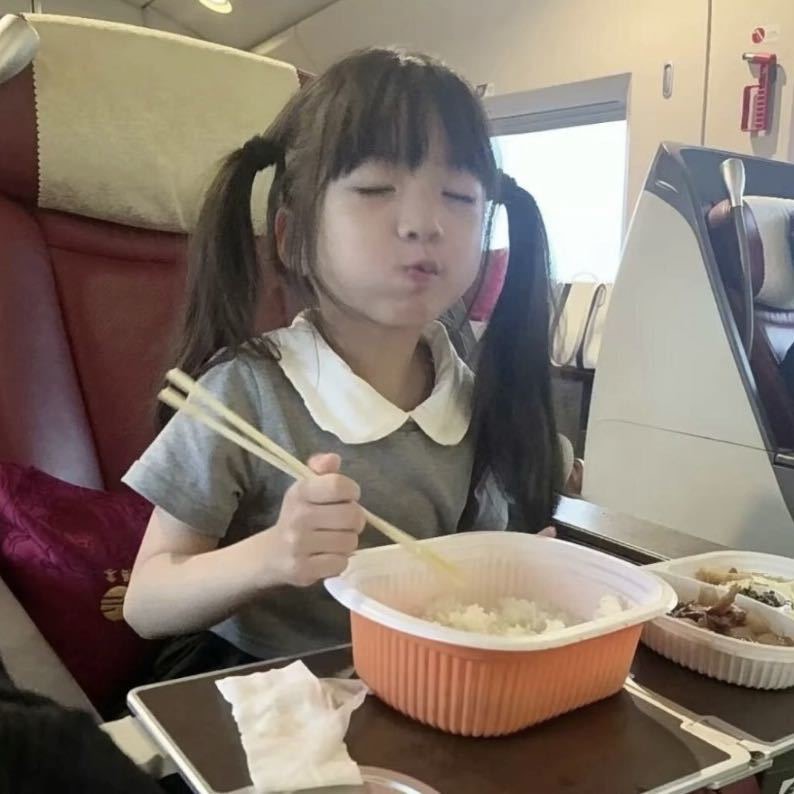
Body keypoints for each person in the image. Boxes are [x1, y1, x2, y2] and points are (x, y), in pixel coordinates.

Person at [122, 47, 564, 679]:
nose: (424, 223)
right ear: (291, 237)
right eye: (376, 188)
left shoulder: (476, 399)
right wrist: (273, 554)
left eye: (459, 196)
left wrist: (513, 572)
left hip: (413, 680)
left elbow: (464, 574)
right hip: (259, 687)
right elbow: (145, 601)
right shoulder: (246, 391)